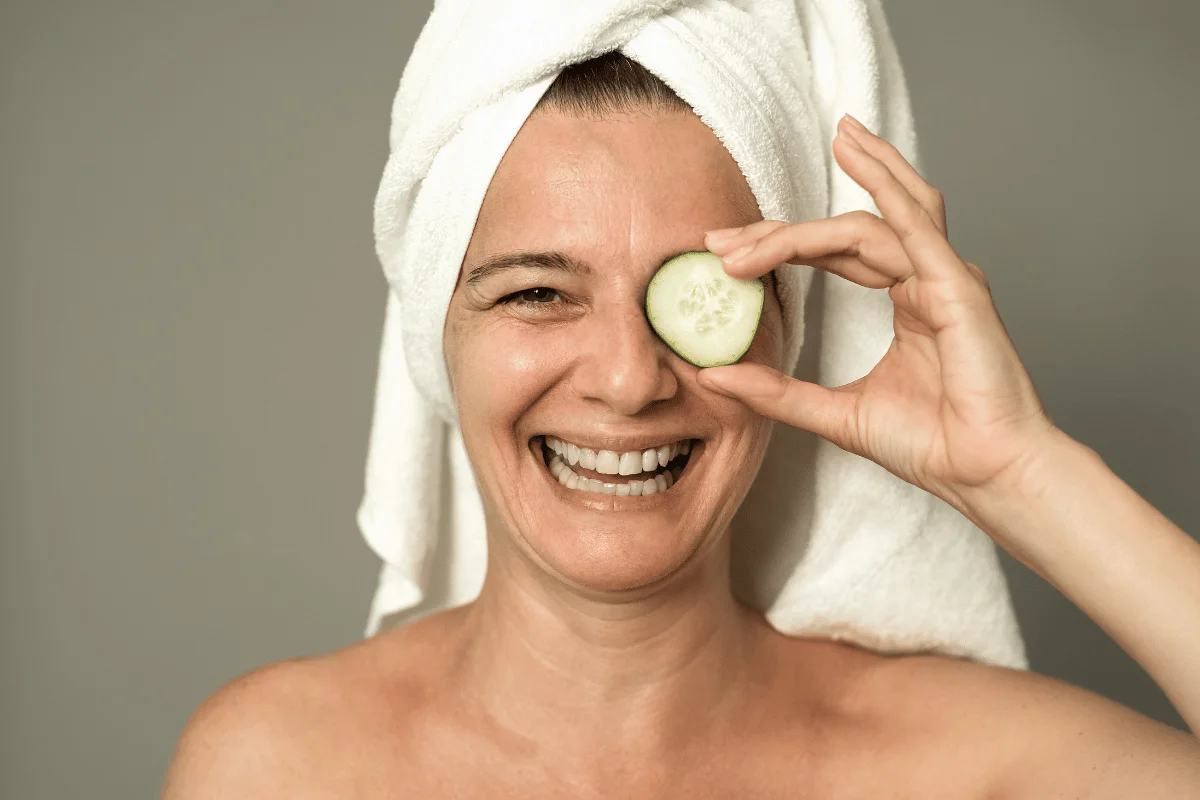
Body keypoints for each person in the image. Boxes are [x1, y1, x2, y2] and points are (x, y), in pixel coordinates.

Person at [162, 53, 1200, 797]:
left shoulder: (971, 769)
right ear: (440, 337)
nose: (627, 378)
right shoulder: (276, 766)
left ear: (789, 334)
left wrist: (1022, 471)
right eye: (537, 292)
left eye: (694, 296)